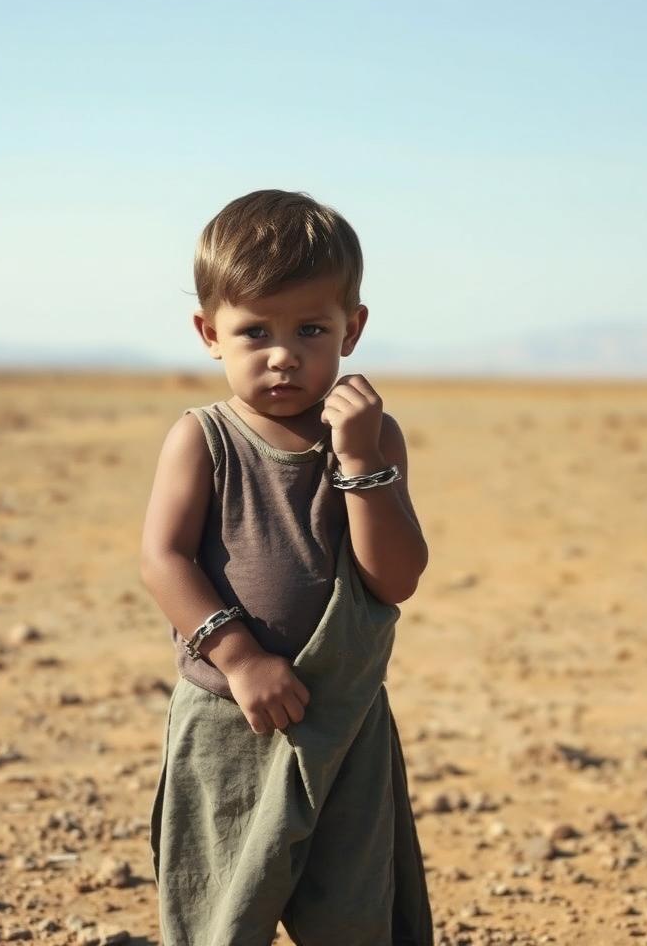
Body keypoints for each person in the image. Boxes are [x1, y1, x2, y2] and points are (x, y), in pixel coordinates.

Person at [139, 189, 433, 945]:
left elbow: (392, 580)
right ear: (209, 333)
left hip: (345, 719)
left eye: (311, 328)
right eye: (254, 331)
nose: (283, 354)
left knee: (352, 909)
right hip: (227, 719)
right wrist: (238, 659)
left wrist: (362, 461)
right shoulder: (203, 438)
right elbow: (163, 558)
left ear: (352, 328)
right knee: (221, 910)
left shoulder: (369, 435)